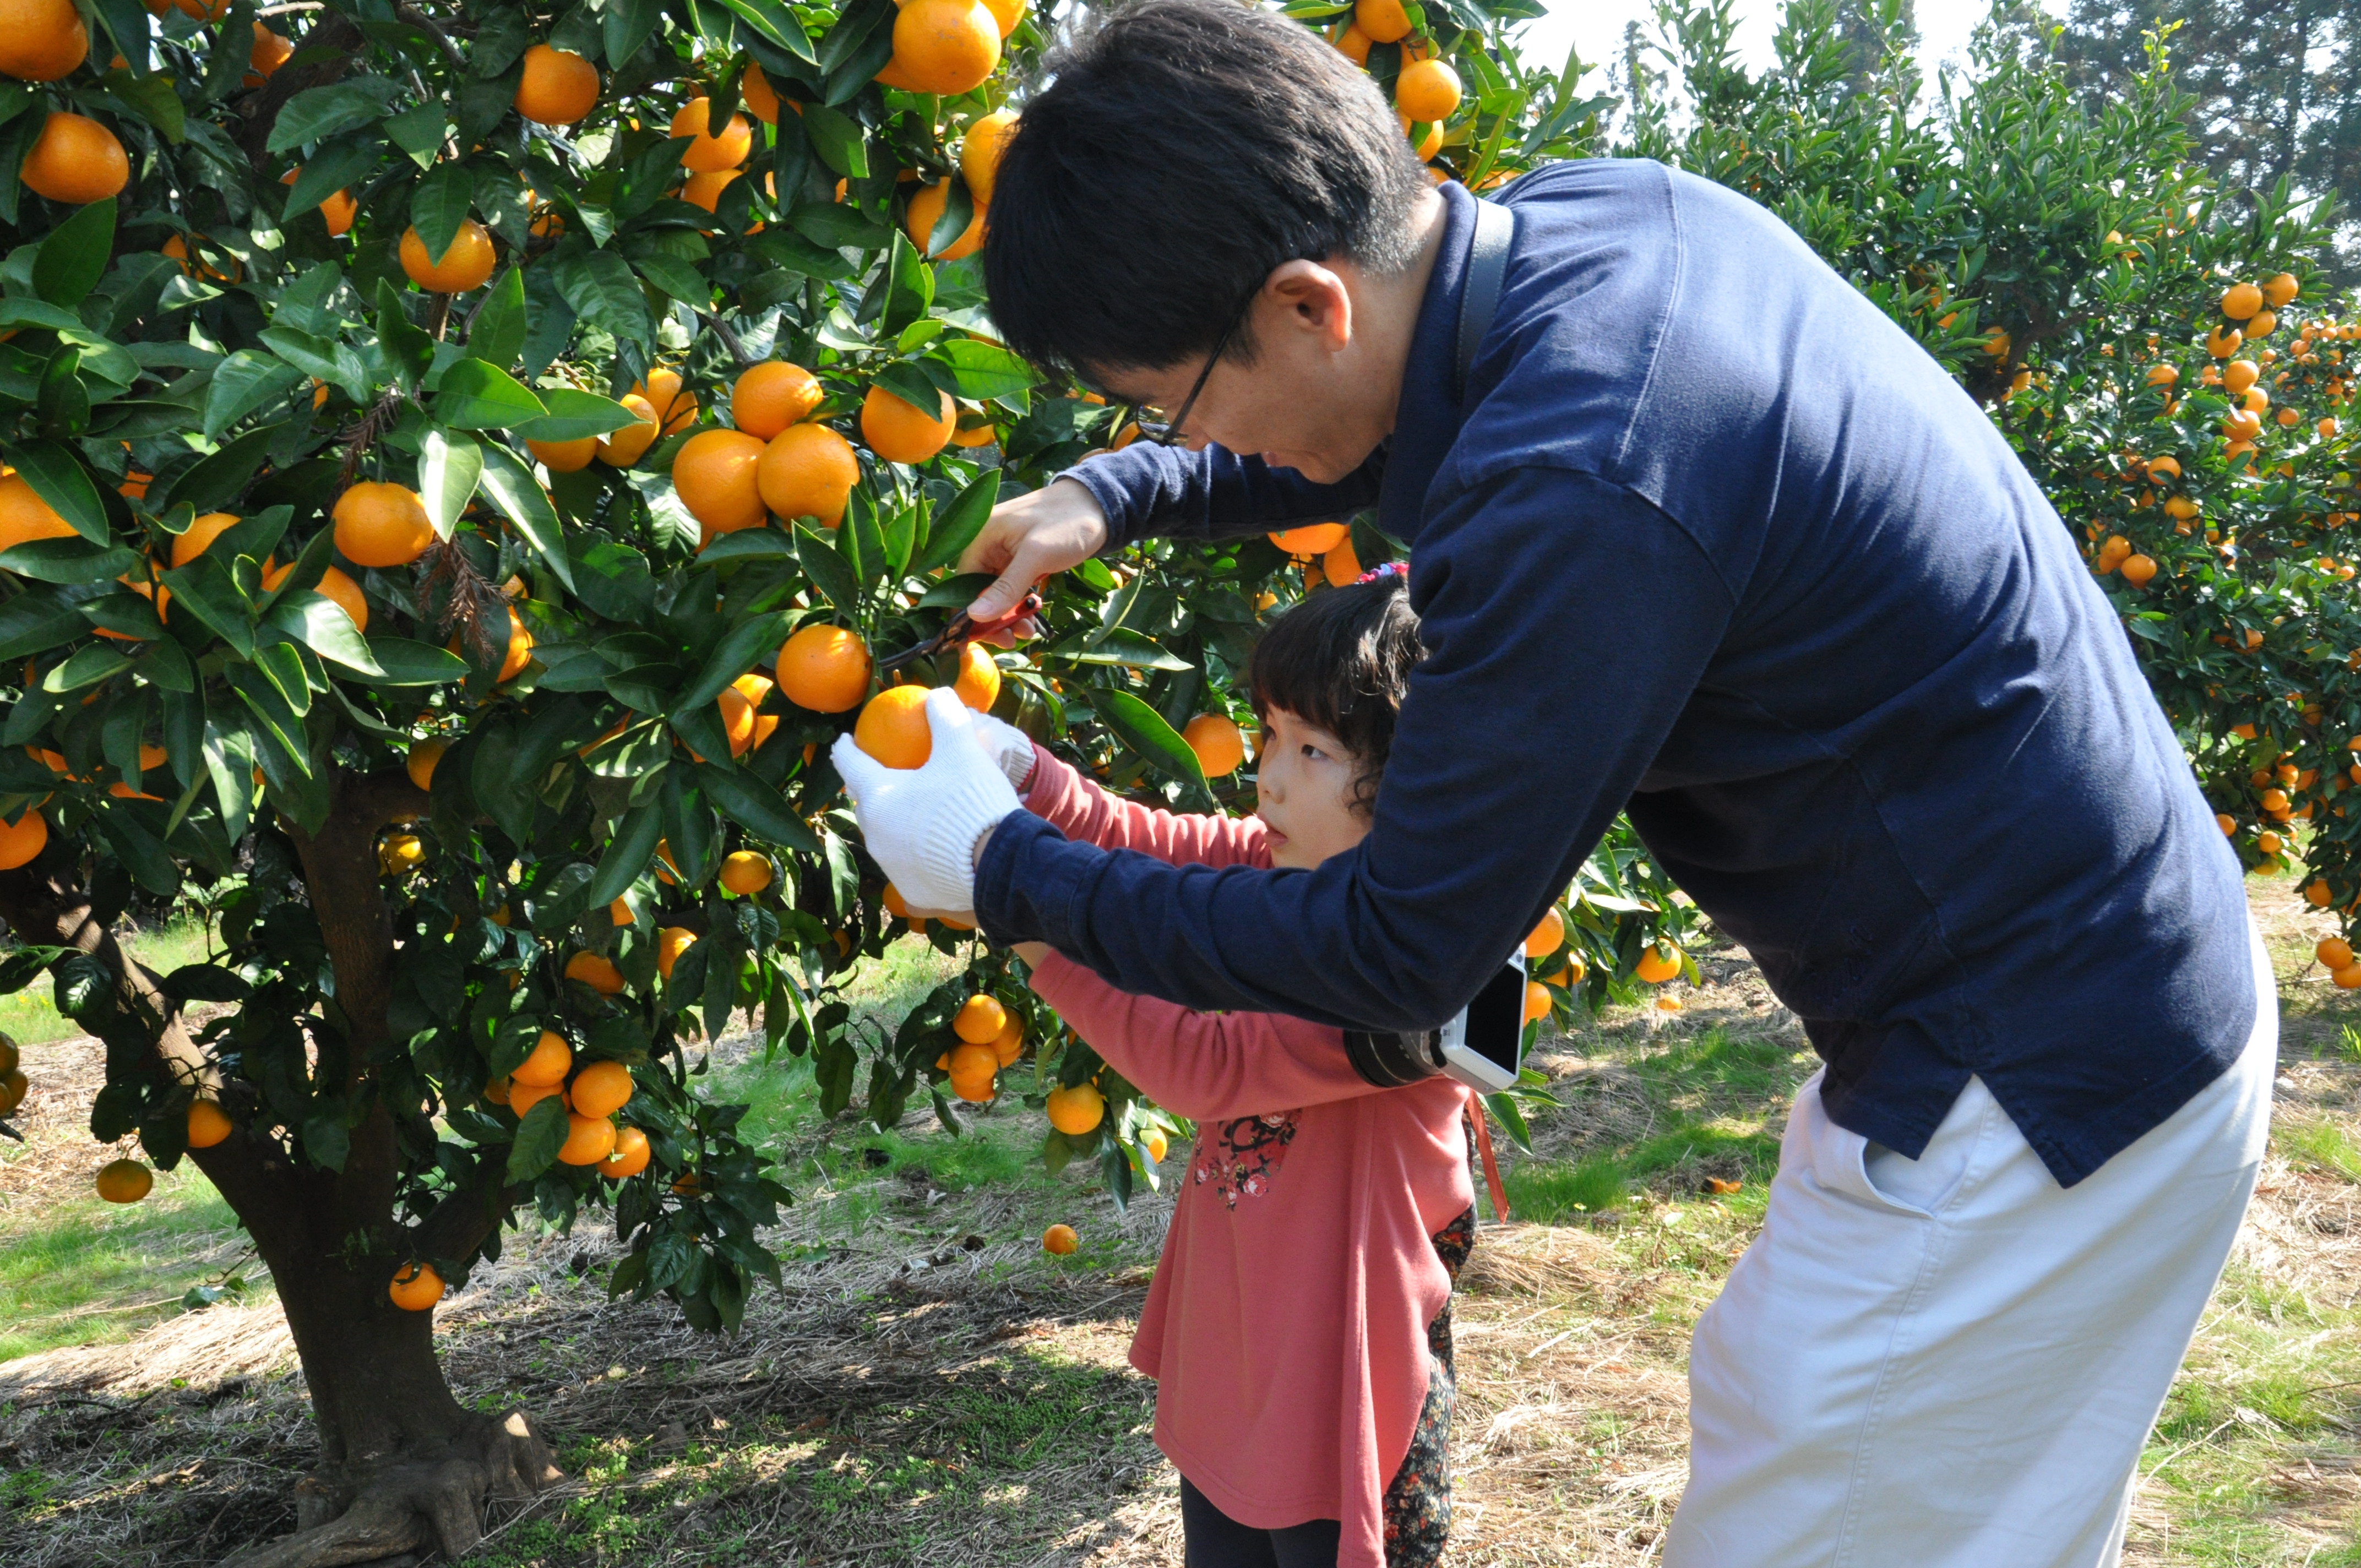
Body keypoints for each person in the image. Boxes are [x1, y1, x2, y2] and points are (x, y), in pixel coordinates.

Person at [838, 3, 2276, 1563]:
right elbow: (1367, 430)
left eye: (1162, 402)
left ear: (1310, 304)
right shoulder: (1594, 230)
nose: (1175, 433)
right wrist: (1128, 491)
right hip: (2084, 1000)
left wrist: (1007, 875)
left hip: (2034, 1081)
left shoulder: (1587, 479)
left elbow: (1397, 945)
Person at [927, 569, 1471, 1568]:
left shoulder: (1408, 966)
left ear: (1419, 781)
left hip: (1343, 1369)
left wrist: (1017, 914)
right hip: (1241, 1339)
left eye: (1312, 750)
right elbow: (1160, 845)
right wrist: (1028, 775)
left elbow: (1200, 1066)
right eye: (1268, 736)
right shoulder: (1287, 864)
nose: (1267, 776)